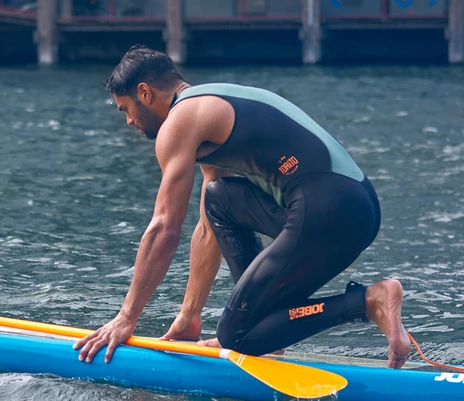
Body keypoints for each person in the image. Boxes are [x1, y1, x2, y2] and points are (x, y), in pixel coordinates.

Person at [74, 45, 410, 368]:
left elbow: (164, 227)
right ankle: (268, 329)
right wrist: (190, 315)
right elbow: (209, 226)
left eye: (125, 109)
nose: (129, 121)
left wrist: (125, 317)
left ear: (144, 93)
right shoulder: (205, 105)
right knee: (218, 198)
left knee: (236, 335)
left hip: (329, 211)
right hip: (354, 207)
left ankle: (368, 302)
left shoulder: (178, 124)